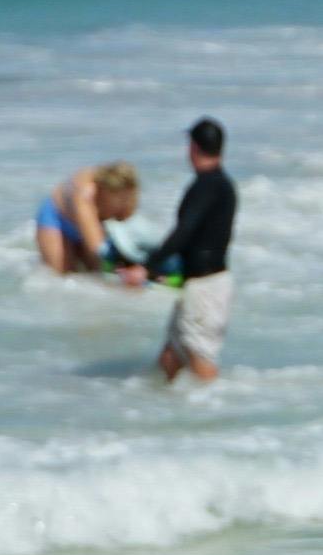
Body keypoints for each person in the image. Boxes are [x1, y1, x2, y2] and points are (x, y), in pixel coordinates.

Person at [150, 119, 237, 385]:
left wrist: (148, 265)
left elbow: (184, 232)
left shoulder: (207, 186)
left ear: (193, 147)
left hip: (206, 288)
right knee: (169, 358)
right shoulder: (221, 185)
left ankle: (220, 417)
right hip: (198, 284)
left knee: (201, 363)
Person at [34, 161, 150, 282]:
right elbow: (97, 248)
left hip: (89, 224)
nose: (125, 201)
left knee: (95, 276)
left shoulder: (128, 188)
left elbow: (126, 230)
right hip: (56, 219)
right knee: (62, 277)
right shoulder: (85, 195)